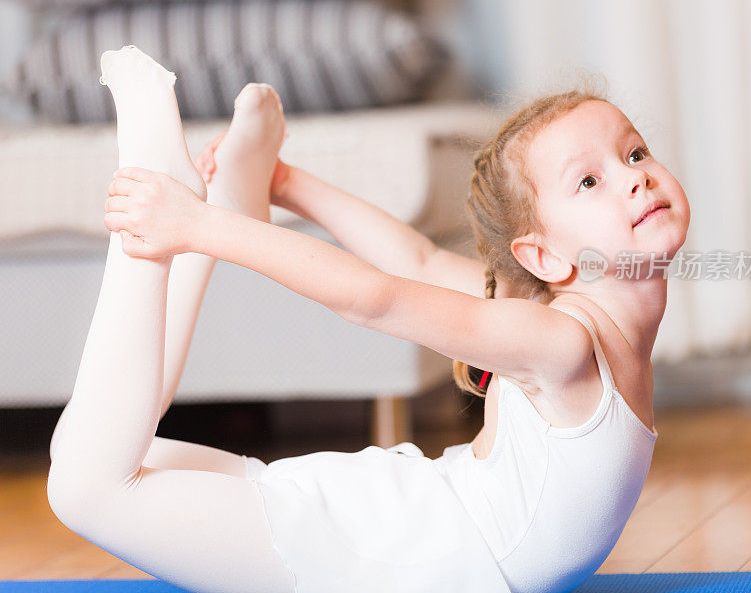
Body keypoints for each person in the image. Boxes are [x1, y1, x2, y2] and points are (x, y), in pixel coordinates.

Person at [47, 45, 691, 593]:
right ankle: (174, 214)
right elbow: (394, 277)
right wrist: (267, 191)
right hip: (397, 549)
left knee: (97, 460)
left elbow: (412, 265)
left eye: (635, 155)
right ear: (543, 257)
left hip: (402, 539)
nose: (633, 179)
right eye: (590, 181)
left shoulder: (552, 332)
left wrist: (231, 212)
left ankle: (193, 212)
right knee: (91, 472)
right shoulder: (559, 340)